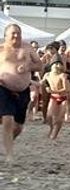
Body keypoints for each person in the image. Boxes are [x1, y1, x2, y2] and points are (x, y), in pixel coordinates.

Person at [0, 24, 44, 158]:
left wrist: (29, 66)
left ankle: (6, 144)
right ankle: (9, 155)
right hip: (3, 87)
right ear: (5, 36)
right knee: (8, 118)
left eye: (18, 33)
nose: (16, 36)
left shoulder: (27, 48)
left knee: (18, 126)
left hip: (23, 89)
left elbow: (40, 65)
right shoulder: (1, 49)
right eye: (13, 33)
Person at [43, 61, 69, 140]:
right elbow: (42, 82)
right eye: (56, 64)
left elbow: (66, 89)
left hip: (63, 98)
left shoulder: (63, 75)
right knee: (49, 116)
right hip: (53, 97)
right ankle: (51, 128)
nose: (57, 66)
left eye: (59, 64)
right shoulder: (47, 75)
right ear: (51, 65)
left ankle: (55, 134)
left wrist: (54, 91)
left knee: (59, 118)